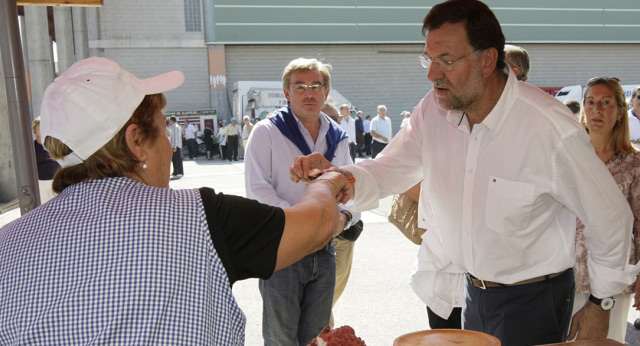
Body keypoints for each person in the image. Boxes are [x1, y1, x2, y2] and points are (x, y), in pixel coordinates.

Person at [290, 1, 637, 344]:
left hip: (535, 301)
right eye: (429, 59)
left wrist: (601, 303)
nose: (432, 73)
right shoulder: (434, 110)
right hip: (470, 293)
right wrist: (341, 177)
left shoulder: (548, 128)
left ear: (487, 60)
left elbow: (611, 219)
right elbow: (388, 169)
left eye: (447, 61)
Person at [0, 57, 351, 345]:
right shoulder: (200, 216)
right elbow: (319, 222)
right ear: (137, 141)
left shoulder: (8, 242)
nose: (170, 145)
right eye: (163, 127)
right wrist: (326, 180)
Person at [244, 57, 359, 346]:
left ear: (326, 92)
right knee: (281, 339)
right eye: (300, 86)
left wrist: (342, 219)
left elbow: (350, 185)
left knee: (318, 338)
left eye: (316, 86)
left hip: (324, 248)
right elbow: (258, 191)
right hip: (283, 249)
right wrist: (303, 220)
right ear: (286, 93)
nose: (309, 93)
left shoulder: (337, 136)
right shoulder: (267, 132)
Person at [571, 77, 640, 344]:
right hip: (565, 272)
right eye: (591, 102)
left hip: (612, 277)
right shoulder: (567, 155)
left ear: (621, 111)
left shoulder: (633, 163)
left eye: (606, 102)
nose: (597, 109)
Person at [321, 101, 362, 327]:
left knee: (331, 293)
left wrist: (346, 217)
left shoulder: (341, 142)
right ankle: (323, 335)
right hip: (314, 235)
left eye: (337, 118)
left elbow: (353, 180)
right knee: (320, 300)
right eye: (329, 118)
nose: (335, 123)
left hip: (343, 231)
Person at [31, 116, 61, 202]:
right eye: (39, 126)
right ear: (35, 130)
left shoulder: (52, 143)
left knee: (56, 202)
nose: (41, 129)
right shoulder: (32, 146)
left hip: (55, 179)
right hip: (41, 181)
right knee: (43, 203)